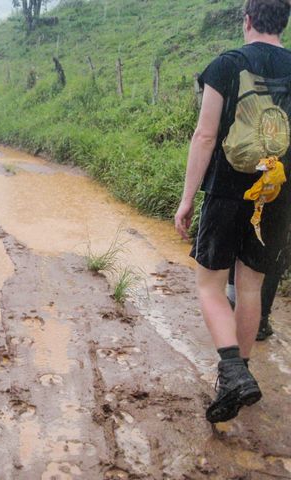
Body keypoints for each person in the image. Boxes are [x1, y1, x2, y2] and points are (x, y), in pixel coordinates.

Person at [174, 0, 291, 424]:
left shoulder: (226, 64)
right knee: (250, 288)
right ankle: (236, 375)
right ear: (284, 23)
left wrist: (187, 199)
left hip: (227, 191)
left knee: (209, 286)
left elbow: (205, 135)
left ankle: (233, 372)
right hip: (275, 195)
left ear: (246, 20)